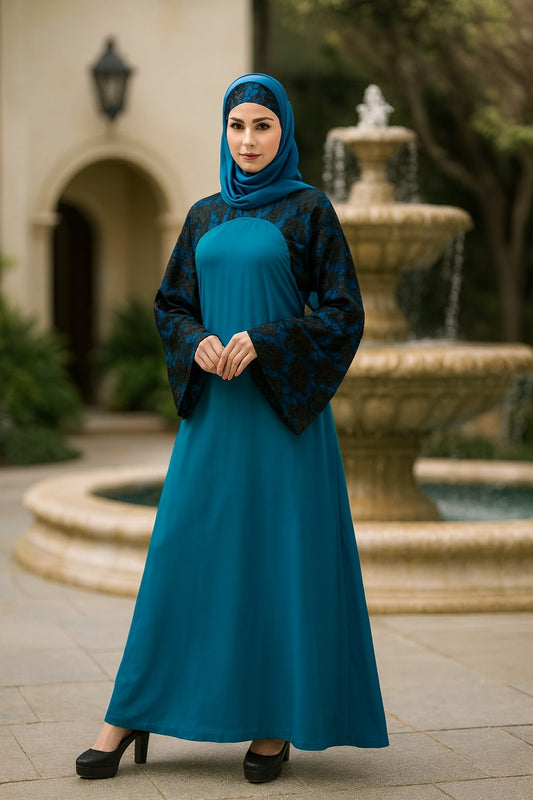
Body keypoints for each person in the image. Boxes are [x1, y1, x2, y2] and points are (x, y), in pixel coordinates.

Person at [76, 73, 389, 785]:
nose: (247, 140)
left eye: (261, 126)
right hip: (214, 417)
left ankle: (273, 722)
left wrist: (267, 341)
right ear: (224, 132)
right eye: (236, 126)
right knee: (182, 558)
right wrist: (196, 342)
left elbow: (344, 313)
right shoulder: (202, 216)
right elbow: (170, 305)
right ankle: (126, 714)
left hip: (284, 424)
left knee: (278, 564)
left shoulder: (310, 210)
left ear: (284, 134)